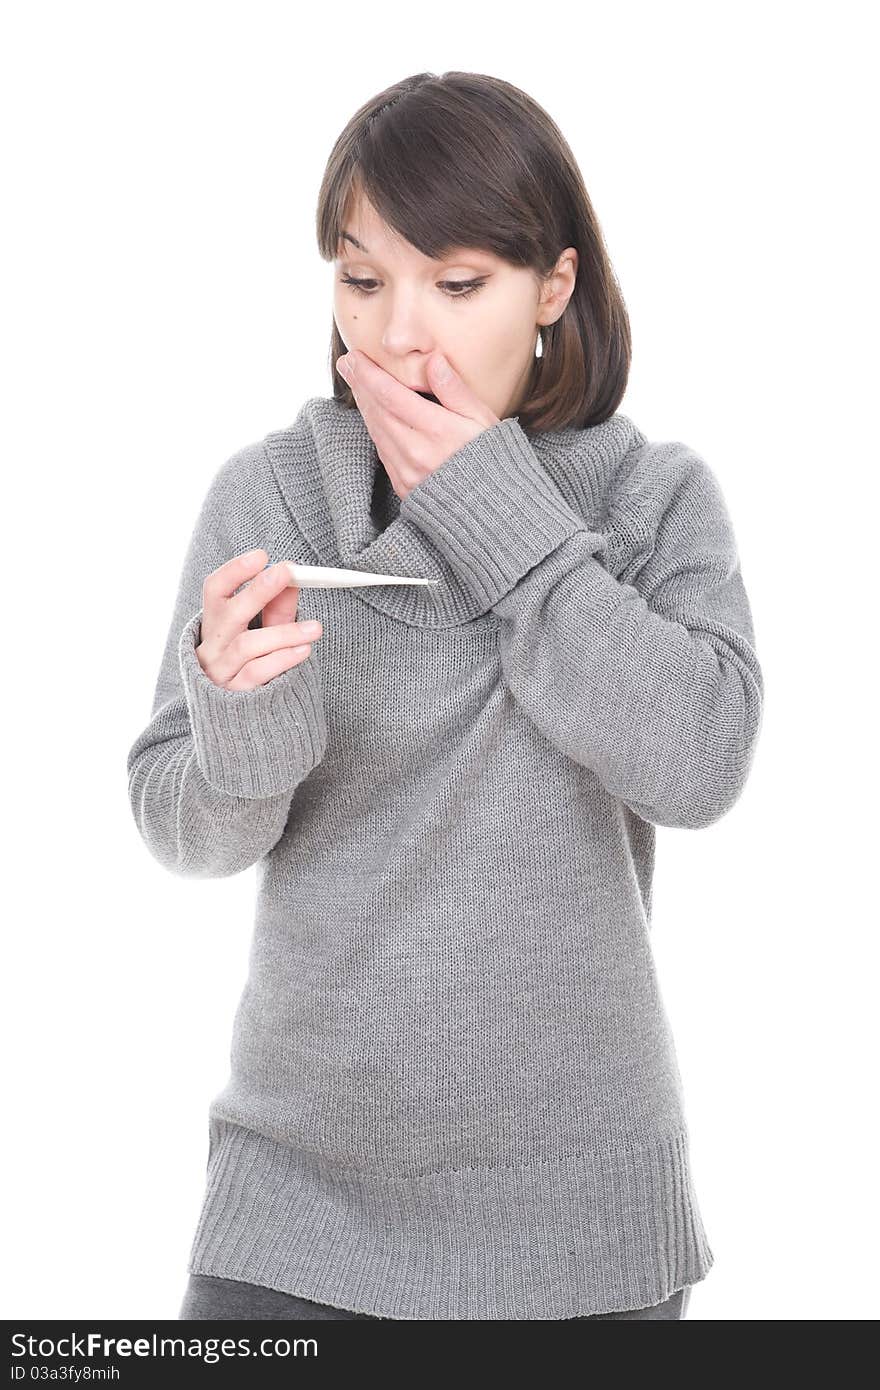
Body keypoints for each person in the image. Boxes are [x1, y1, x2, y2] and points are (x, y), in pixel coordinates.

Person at [126, 71, 764, 1322]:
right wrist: (242, 725)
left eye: (457, 284)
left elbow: (701, 763)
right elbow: (175, 820)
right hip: (291, 1211)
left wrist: (493, 506)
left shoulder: (653, 502)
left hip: (584, 1224)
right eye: (363, 281)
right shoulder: (272, 496)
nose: (397, 334)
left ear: (553, 291)